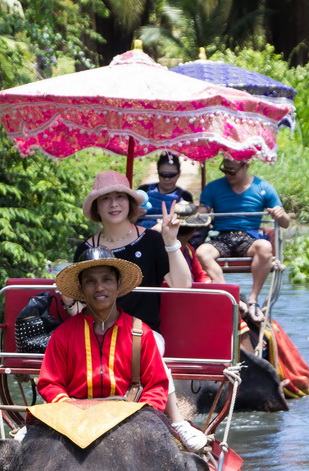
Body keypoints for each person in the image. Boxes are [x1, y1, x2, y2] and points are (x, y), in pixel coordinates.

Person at [38, 248, 208, 452]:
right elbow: (50, 383)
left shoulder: (140, 333)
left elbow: (156, 386)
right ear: (81, 290)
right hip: (74, 418)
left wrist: (141, 416)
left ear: (118, 286)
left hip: (129, 418)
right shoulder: (63, 334)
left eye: (107, 279)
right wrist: (69, 410)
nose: (99, 287)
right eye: (90, 281)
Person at [70, 170, 192, 341]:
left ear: (130, 202)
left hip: (144, 334)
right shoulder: (87, 249)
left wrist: (171, 242)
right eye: (106, 198)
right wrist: (67, 302)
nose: (114, 204)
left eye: (120, 196)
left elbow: (183, 285)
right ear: (96, 206)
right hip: (99, 334)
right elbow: (80, 309)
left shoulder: (151, 240)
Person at [195, 155, 291, 322]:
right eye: (224, 169)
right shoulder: (213, 188)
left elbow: (285, 223)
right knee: (202, 252)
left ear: (246, 165)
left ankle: (253, 300)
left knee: (265, 247)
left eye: (232, 170)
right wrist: (199, 213)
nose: (228, 174)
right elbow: (202, 213)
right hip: (222, 237)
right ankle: (232, 297)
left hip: (248, 237)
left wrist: (280, 214)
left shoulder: (263, 188)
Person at [141, 151, 195, 237]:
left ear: (179, 174)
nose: (167, 178)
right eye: (163, 174)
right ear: (158, 172)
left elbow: (187, 227)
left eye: (171, 175)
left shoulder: (185, 196)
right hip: (140, 233)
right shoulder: (144, 190)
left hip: (170, 236)